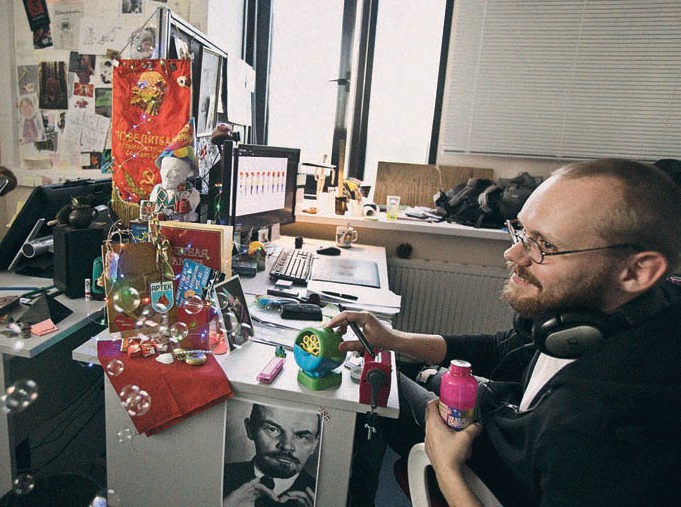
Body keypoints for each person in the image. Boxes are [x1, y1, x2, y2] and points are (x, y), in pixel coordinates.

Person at [327, 158, 680, 507]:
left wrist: (446, 467)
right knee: (385, 366)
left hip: (481, 465)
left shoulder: (602, 425)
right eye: (522, 232)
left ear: (638, 272)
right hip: (503, 420)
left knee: (368, 384)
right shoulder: (597, 310)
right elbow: (503, 349)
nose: (512, 254)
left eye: (544, 246)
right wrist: (394, 340)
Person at [223, 403, 320, 507]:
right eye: (273, 430)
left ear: (314, 444)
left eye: (302, 436)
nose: (287, 446)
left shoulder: (322, 495)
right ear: (250, 428)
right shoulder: (220, 476)